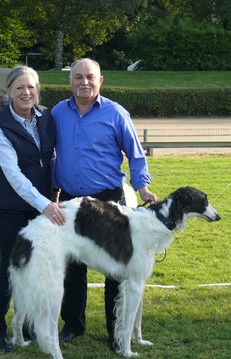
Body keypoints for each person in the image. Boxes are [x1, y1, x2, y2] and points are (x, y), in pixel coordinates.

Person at [52, 58, 158, 349]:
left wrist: (143, 189)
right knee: (72, 267)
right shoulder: (58, 113)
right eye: (77, 77)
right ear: (70, 81)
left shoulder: (116, 113)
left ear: (101, 80)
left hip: (109, 201)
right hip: (72, 202)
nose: (83, 82)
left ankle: (116, 332)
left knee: (115, 270)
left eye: (89, 77)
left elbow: (136, 155)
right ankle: (73, 324)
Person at [0, 66, 66, 352]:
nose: (26, 92)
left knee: (37, 268)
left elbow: (54, 157)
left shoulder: (47, 117)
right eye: (19, 87)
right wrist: (45, 204)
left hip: (42, 205)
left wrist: (53, 195)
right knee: (10, 266)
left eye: (31, 87)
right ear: (9, 91)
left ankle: (30, 326)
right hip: (11, 207)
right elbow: (13, 174)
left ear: (37, 89)